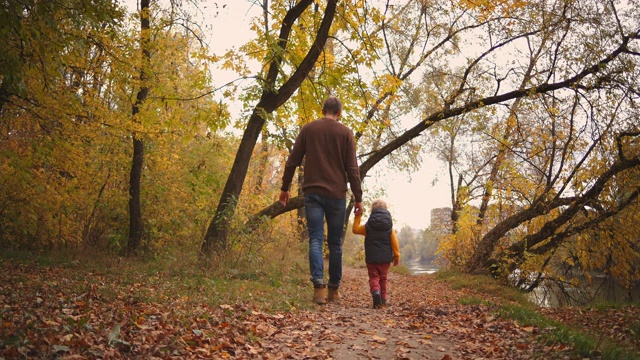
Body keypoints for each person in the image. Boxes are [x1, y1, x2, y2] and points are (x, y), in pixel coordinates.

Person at [279, 96, 363, 305]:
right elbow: (352, 169)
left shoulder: (309, 129)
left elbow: (292, 161)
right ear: (339, 113)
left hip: (313, 193)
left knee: (315, 239)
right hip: (336, 195)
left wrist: (285, 188)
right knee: (335, 244)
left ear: (322, 109)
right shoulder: (346, 133)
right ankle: (334, 290)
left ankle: (319, 289)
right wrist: (358, 198)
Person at [352, 199, 400, 308]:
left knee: (374, 277)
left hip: (371, 258)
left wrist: (358, 216)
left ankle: (376, 292)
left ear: (372, 211)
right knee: (383, 278)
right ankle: (383, 299)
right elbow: (394, 242)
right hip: (385, 258)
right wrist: (396, 256)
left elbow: (355, 230)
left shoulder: (367, 227)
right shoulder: (389, 228)